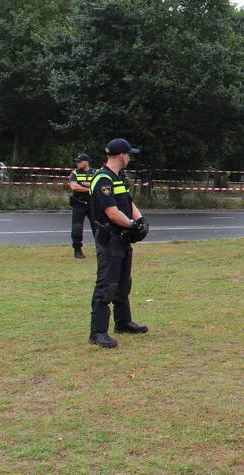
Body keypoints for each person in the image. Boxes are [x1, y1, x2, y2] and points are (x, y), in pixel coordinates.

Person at [88, 138, 149, 348]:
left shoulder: (119, 178)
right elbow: (112, 212)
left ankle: (123, 323)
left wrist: (141, 221)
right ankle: (97, 333)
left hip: (123, 239)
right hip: (109, 239)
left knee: (123, 284)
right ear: (121, 155)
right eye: (129, 154)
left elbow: (128, 203)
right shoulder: (102, 179)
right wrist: (132, 225)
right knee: (107, 285)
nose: (130, 158)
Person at [68, 153, 96, 259]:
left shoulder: (96, 173)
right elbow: (74, 187)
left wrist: (86, 186)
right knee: (77, 228)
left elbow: (99, 186)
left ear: (86, 162)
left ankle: (100, 248)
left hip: (93, 204)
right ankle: (77, 250)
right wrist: (90, 188)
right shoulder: (75, 173)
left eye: (79, 161)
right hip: (78, 204)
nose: (77, 163)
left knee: (98, 227)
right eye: (77, 161)